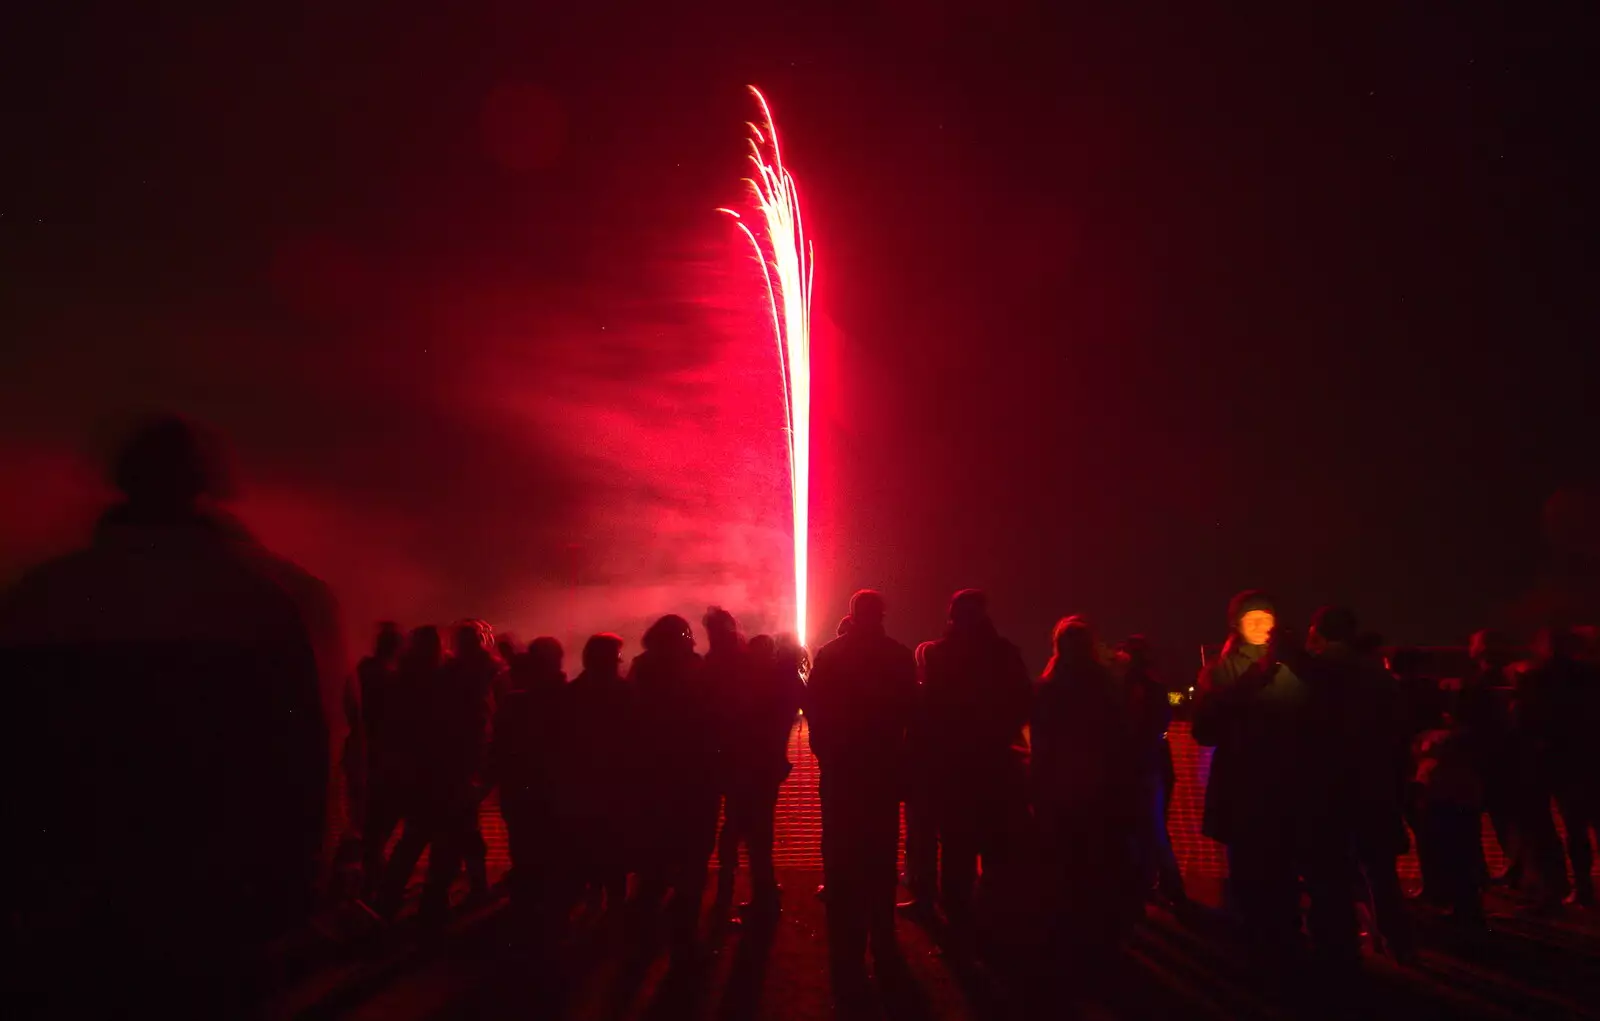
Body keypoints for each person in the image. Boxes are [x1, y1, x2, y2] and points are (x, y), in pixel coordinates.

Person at [0, 415, 342, 1013]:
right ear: (210, 486)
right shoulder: (268, 601)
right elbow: (305, 757)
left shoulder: (40, 597)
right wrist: (301, 880)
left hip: (70, 898)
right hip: (219, 901)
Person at [806, 590, 918, 1001]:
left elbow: (814, 705)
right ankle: (882, 933)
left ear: (852, 615)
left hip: (842, 767)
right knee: (882, 847)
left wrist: (824, 749)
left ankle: (846, 941)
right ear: (881, 615)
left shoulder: (831, 654)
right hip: (882, 768)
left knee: (839, 846)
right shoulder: (898, 655)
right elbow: (911, 709)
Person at [1192, 590, 1311, 966]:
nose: (1260, 626)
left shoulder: (1299, 667)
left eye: (1266, 618)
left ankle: (1286, 937)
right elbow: (1205, 728)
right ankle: (1252, 939)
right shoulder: (1221, 669)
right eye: (1251, 619)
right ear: (1236, 625)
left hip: (1289, 784)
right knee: (1247, 867)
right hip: (1243, 786)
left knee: (1286, 865)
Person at [914, 589, 1032, 951]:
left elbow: (926, 710)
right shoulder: (1006, 654)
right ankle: (995, 913)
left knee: (956, 845)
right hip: (996, 763)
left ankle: (959, 915)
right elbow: (1023, 703)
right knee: (996, 843)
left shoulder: (936, 654)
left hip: (952, 766)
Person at [1030, 616, 1142, 991]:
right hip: (1099, 791)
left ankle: (1063, 940)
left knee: (1063, 865)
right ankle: (1101, 942)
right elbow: (1121, 739)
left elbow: (1042, 745)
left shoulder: (1048, 687)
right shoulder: (1105, 687)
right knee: (1098, 864)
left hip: (1060, 791)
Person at [1301, 605, 1411, 967]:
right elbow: (1396, 728)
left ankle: (1339, 942)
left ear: (1319, 631)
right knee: (1379, 868)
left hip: (1329, 784)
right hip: (1374, 781)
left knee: (1330, 867)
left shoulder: (1317, 670)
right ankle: (1396, 940)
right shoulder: (1377, 675)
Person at [630, 614, 717, 964]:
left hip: (654, 772)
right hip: (692, 772)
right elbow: (709, 716)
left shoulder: (641, 668)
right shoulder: (694, 667)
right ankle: (683, 931)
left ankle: (645, 929)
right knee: (693, 852)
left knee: (654, 852)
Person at [716, 632, 805, 919]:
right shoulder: (789, 680)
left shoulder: (762, 682)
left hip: (749, 765)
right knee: (757, 829)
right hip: (766, 765)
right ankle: (762, 890)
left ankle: (750, 891)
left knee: (743, 828)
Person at [1518, 626, 1600, 907]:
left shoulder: (1537, 677)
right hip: (1591, 756)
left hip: (1561, 761)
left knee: (1575, 829)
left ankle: (1583, 887)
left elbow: (1528, 719)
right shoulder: (1591, 674)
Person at [561, 633, 634, 913]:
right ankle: (614, 902)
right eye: (616, 656)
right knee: (613, 843)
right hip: (613, 782)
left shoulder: (573, 692)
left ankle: (594, 892)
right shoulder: (624, 693)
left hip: (584, 782)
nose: (619, 661)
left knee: (589, 840)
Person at [1118, 635, 1187, 907]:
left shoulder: (1133, 685)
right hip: (1157, 762)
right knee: (1153, 826)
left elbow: (1133, 725)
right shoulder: (1154, 684)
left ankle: (1167, 885)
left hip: (1142, 764)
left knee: (1149, 827)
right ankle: (1157, 884)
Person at [358, 622, 407, 892]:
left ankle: (372, 872)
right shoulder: (388, 678)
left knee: (373, 819)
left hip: (370, 754)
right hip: (386, 757)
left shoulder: (365, 671)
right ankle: (373, 879)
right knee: (382, 818)